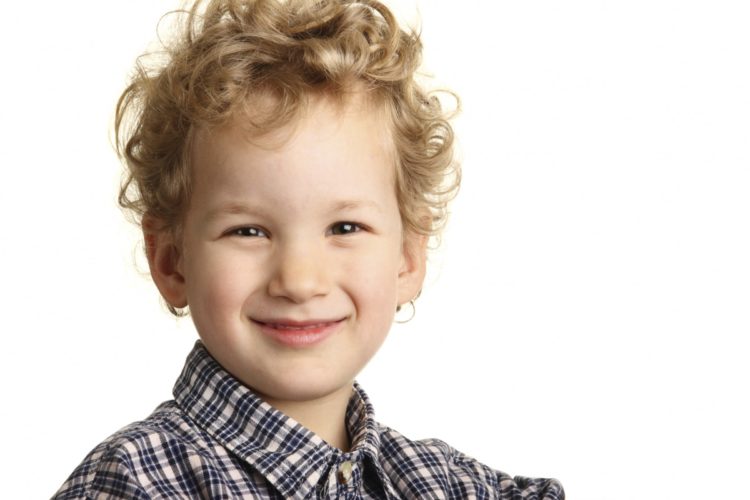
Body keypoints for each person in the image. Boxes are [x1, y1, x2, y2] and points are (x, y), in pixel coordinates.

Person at [54, 0, 564, 498]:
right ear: (171, 260)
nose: (299, 280)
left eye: (345, 227)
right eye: (248, 231)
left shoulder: (448, 484)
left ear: (409, 257)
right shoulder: (134, 482)